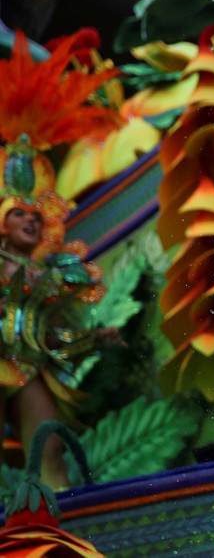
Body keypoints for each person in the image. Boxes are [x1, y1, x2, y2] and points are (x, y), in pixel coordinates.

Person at [0, 200, 114, 490]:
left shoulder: (47, 278)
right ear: (3, 225)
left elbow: (52, 339)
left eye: (37, 218)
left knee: (48, 448)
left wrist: (95, 339)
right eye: (19, 213)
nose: (31, 221)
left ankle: (59, 526)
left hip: (27, 368)